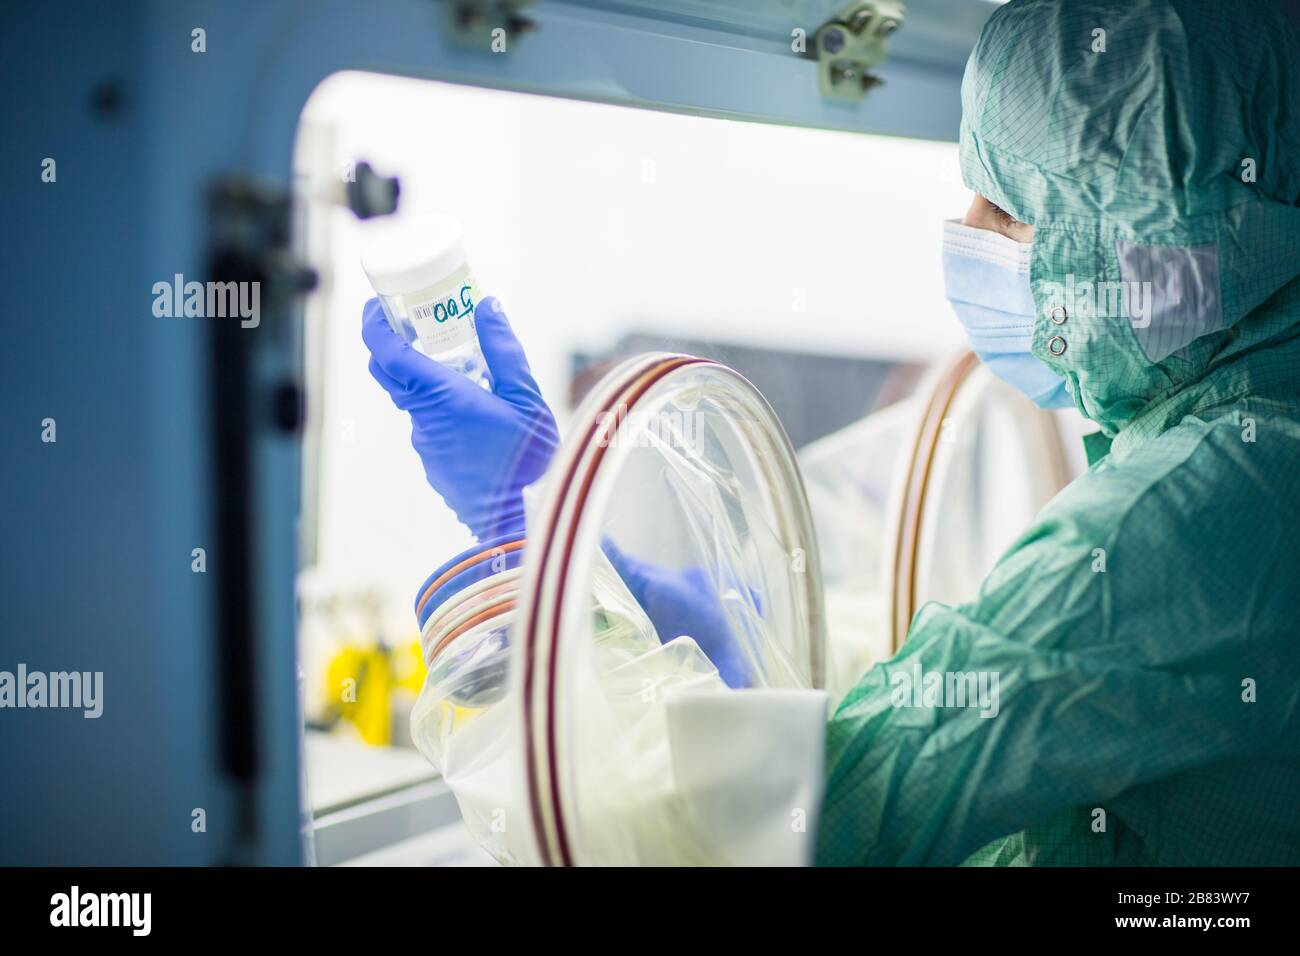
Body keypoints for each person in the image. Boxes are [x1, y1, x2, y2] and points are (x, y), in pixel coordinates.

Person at [363, 0, 1300, 865]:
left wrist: (518, 572)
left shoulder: (1205, 507)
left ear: (1173, 251)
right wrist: (728, 618)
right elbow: (1012, 678)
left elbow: (714, 843)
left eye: (1012, 207)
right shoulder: (1239, 439)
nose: (965, 230)